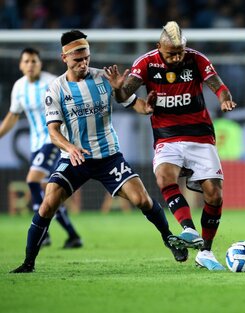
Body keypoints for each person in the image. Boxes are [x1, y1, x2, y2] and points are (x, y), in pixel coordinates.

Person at [10, 30, 187, 274]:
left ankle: (170, 239)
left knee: (142, 199)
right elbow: (53, 132)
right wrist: (70, 147)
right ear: (64, 58)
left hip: (108, 157)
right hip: (75, 158)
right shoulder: (55, 89)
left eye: (86, 58)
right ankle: (28, 263)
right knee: (48, 203)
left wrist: (134, 98)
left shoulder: (105, 77)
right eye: (77, 60)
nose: (83, 64)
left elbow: (137, 105)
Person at [110, 21, 236, 271]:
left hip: (199, 135)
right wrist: (118, 89)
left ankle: (206, 252)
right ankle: (188, 229)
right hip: (167, 135)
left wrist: (225, 100)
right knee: (164, 177)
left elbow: (219, 86)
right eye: (171, 53)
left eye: (180, 51)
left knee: (215, 194)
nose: (177, 57)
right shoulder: (146, 63)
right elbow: (124, 96)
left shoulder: (196, 59)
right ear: (159, 47)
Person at [0, 47, 82, 249]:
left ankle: (42, 231)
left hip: (53, 140)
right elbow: (13, 115)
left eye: (34, 61)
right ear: (20, 65)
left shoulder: (51, 82)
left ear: (40, 64)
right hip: (36, 144)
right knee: (50, 192)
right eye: (26, 61)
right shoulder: (19, 87)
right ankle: (73, 236)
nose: (30, 65)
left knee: (32, 179)